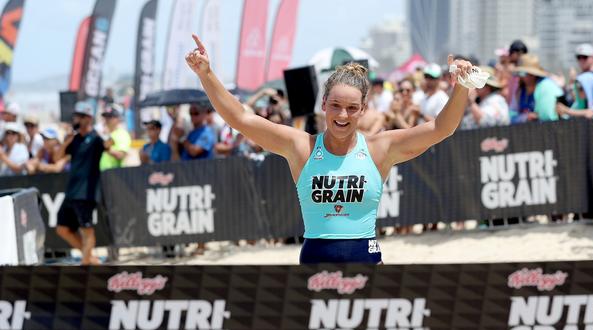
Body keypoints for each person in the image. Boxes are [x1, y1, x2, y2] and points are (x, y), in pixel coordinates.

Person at [186, 34, 473, 264]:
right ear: (323, 106)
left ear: (363, 110)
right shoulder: (301, 147)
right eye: (335, 106)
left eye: (351, 108)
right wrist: (206, 74)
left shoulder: (378, 149)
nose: (342, 115)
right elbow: (241, 118)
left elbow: (441, 129)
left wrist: (461, 86)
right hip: (315, 262)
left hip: (366, 260)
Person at [54, 101, 105, 265]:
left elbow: (109, 145)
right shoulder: (73, 139)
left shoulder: (96, 139)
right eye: (76, 116)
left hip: (86, 193)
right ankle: (90, 260)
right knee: (62, 229)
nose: (76, 119)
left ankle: (85, 264)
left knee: (87, 230)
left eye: (80, 116)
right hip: (72, 192)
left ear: (88, 118)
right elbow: (57, 158)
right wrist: (66, 141)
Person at [99, 103, 131, 171]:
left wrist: (107, 149)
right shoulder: (103, 134)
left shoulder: (122, 134)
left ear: (117, 118)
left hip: (115, 174)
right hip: (101, 175)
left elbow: (121, 155)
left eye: (110, 117)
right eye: (105, 117)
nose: (107, 119)